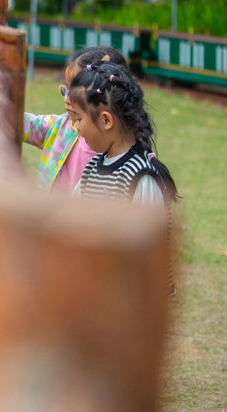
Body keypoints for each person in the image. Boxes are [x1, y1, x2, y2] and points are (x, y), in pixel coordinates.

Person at [0, 47, 129, 194]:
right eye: (65, 89)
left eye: (76, 91)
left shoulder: (127, 161)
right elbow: (16, 120)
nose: (67, 98)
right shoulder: (59, 128)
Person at [68, 59, 178, 291]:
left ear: (106, 120)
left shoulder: (140, 177)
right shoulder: (91, 170)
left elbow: (149, 255)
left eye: (78, 119)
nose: (74, 127)